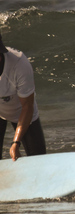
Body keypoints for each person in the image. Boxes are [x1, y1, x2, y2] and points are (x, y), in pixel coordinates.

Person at [0, 32, 46, 161]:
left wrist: (16, 142)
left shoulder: (19, 64)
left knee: (38, 160)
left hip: (23, 112)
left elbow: (27, 107)